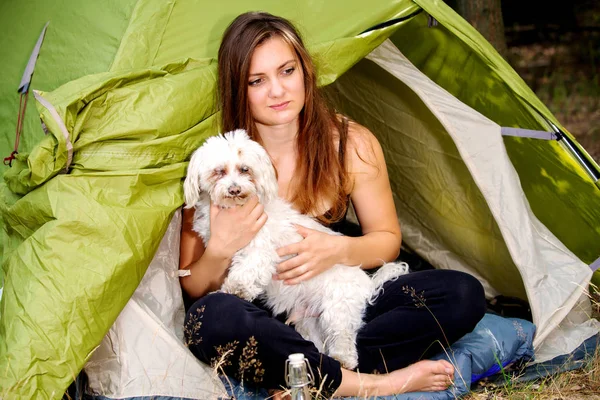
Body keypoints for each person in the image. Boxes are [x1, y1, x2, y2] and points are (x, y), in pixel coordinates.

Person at [179, 11, 486, 398]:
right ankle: (371, 383)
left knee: (461, 294)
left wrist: (338, 249)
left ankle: (300, 375)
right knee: (208, 320)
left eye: (287, 71)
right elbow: (193, 285)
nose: (277, 91)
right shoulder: (219, 162)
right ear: (237, 88)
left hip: (335, 297)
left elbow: (387, 239)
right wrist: (221, 247)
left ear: (306, 71)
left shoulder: (351, 143)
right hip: (260, 313)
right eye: (257, 80)